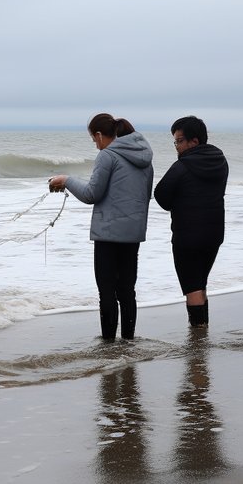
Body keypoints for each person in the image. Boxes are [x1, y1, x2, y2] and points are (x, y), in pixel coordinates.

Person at [49, 114, 155, 341]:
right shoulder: (146, 158)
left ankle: (108, 347)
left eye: (94, 140)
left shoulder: (107, 156)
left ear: (99, 135)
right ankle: (128, 343)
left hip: (108, 235)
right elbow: (146, 196)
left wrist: (66, 180)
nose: (96, 145)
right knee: (127, 291)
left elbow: (91, 194)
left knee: (106, 292)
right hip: (133, 234)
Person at [154, 115, 229, 329]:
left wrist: (176, 202)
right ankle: (202, 325)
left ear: (193, 142)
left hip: (188, 235)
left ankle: (198, 334)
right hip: (214, 233)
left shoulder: (183, 166)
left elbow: (160, 194)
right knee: (200, 282)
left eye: (179, 141)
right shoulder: (220, 161)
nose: (176, 146)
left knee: (192, 285)